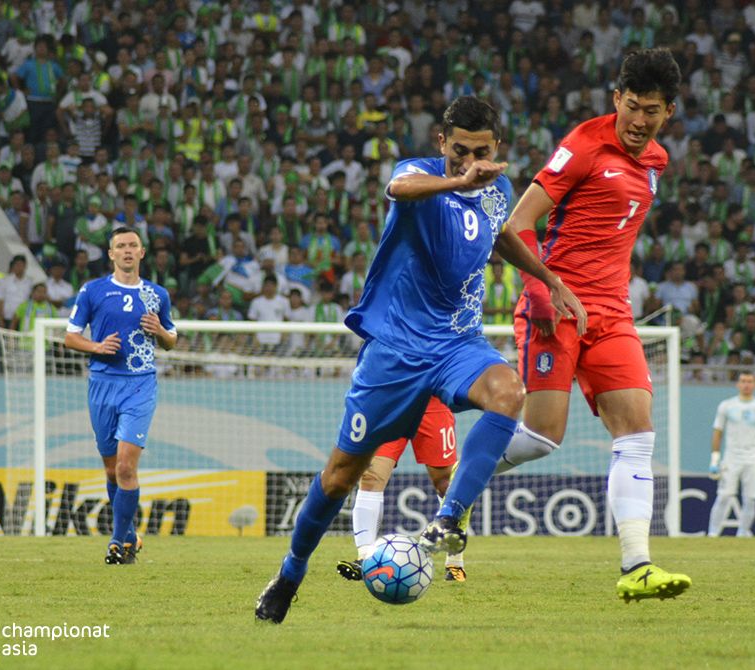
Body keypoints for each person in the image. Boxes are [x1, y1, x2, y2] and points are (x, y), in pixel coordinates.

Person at [255, 96, 585, 624]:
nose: (467, 160)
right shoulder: (421, 174)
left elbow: (501, 237)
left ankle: (447, 519)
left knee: (509, 393)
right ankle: (291, 573)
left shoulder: (498, 191)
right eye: (458, 150)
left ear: (495, 147)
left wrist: (549, 279)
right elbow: (397, 189)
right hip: (396, 351)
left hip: (457, 343)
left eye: (479, 151)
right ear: (441, 143)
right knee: (340, 475)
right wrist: (458, 181)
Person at [495, 48, 691, 601]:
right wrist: (544, 289)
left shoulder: (657, 161)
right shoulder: (583, 144)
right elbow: (516, 226)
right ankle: (456, 485)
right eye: (632, 107)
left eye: (651, 110)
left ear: (667, 112)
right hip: (554, 307)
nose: (639, 121)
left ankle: (637, 565)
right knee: (539, 439)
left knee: (638, 431)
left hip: (611, 313)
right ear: (616, 100)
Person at [63, 227, 177, 565]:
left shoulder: (157, 294)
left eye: (133, 245)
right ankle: (130, 536)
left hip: (140, 383)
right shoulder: (92, 291)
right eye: (120, 246)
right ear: (111, 254)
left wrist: (159, 331)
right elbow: (70, 338)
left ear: (142, 253)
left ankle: (118, 544)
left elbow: (171, 338)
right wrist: (96, 346)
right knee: (112, 471)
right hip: (102, 383)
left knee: (127, 466)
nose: (127, 251)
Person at [336, 397, 469, 583]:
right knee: (370, 476)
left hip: (432, 402)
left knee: (445, 484)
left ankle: (454, 561)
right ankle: (365, 558)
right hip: (393, 401)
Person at [707, 371, 755, 538]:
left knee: (751, 498)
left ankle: (743, 532)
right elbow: (718, 432)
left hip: (754, 458)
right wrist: (715, 459)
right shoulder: (727, 406)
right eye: (743, 381)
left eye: (750, 381)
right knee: (724, 496)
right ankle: (713, 533)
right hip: (732, 457)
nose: (746, 385)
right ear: (738, 384)